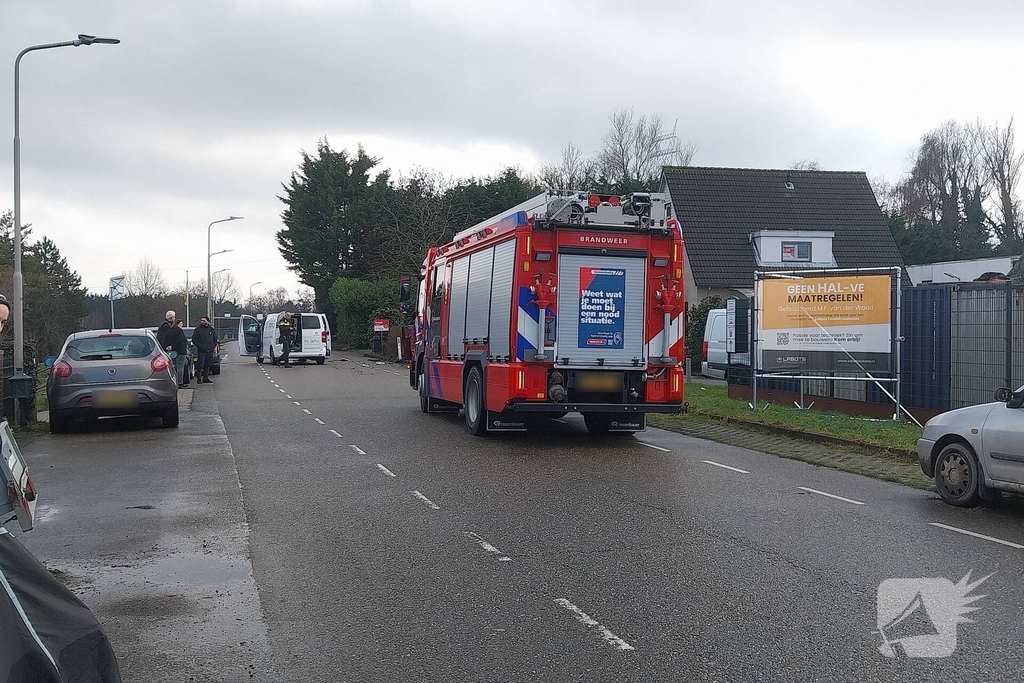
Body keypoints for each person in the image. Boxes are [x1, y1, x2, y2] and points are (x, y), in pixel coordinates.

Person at [192, 316, 219, 384]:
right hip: (202, 351)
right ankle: (199, 378)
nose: (202, 322)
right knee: (200, 364)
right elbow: (194, 340)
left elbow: (215, 339)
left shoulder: (211, 330)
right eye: (201, 320)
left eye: (204, 320)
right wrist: (200, 346)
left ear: (207, 321)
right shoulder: (198, 330)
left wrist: (212, 346)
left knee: (208, 364)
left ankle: (205, 377)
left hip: (210, 351)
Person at [166, 318, 190, 387]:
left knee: (173, 367)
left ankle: (173, 382)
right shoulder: (179, 331)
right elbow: (181, 341)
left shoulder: (170, 331)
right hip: (181, 351)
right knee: (180, 367)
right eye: (181, 324)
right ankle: (180, 382)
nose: (182, 325)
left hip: (172, 352)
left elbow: (166, 340)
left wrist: (170, 347)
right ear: (177, 324)